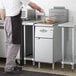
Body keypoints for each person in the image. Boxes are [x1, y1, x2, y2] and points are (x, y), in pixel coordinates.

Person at [0, 0, 43, 73]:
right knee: (14, 44)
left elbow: (2, 10)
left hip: (7, 20)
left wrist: (5, 21)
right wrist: (40, 9)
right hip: (14, 20)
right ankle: (9, 68)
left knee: (9, 44)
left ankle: (12, 65)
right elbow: (31, 4)